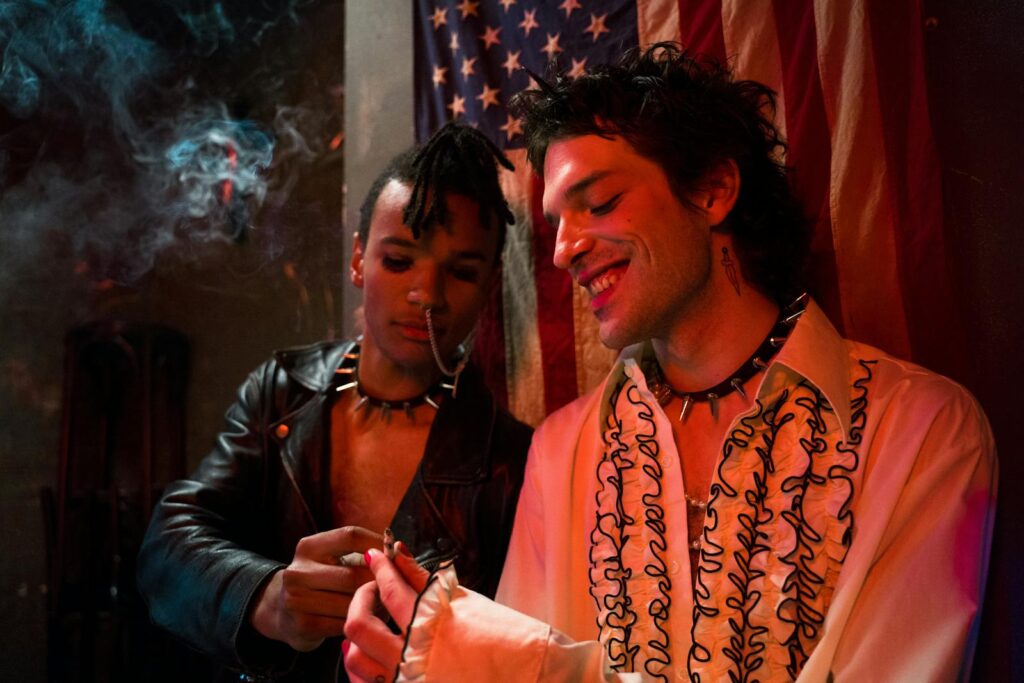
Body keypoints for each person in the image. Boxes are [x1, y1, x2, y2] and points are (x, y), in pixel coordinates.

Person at [342, 44, 997, 682]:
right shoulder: (563, 451)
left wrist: (498, 659)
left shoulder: (922, 432)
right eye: (556, 223)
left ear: (714, 189)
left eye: (598, 203)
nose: (565, 251)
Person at [137, 122, 533, 682]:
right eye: (399, 261)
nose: (427, 294)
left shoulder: (511, 459)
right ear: (357, 260)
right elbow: (168, 542)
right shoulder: (283, 392)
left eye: (461, 272)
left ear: (489, 287)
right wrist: (266, 598)